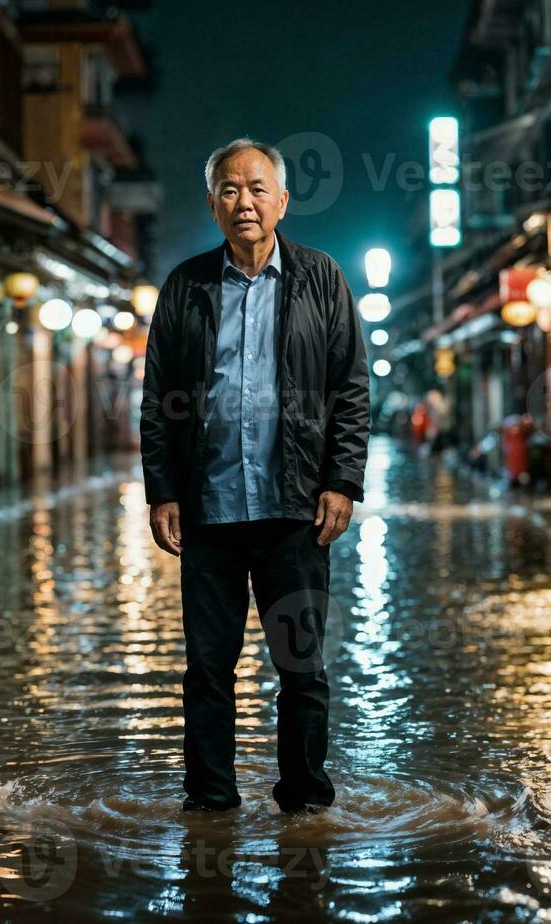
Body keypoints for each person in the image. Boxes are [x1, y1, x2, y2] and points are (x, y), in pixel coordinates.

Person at [140, 138, 370, 814]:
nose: (245, 201)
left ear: (283, 200)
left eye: (257, 187)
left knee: (302, 669)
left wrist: (342, 481)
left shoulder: (322, 278)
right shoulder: (186, 286)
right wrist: (163, 491)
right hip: (208, 515)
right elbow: (157, 398)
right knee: (208, 670)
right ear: (213, 203)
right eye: (230, 189)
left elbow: (351, 388)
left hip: (294, 511)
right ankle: (210, 804)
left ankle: (304, 802)